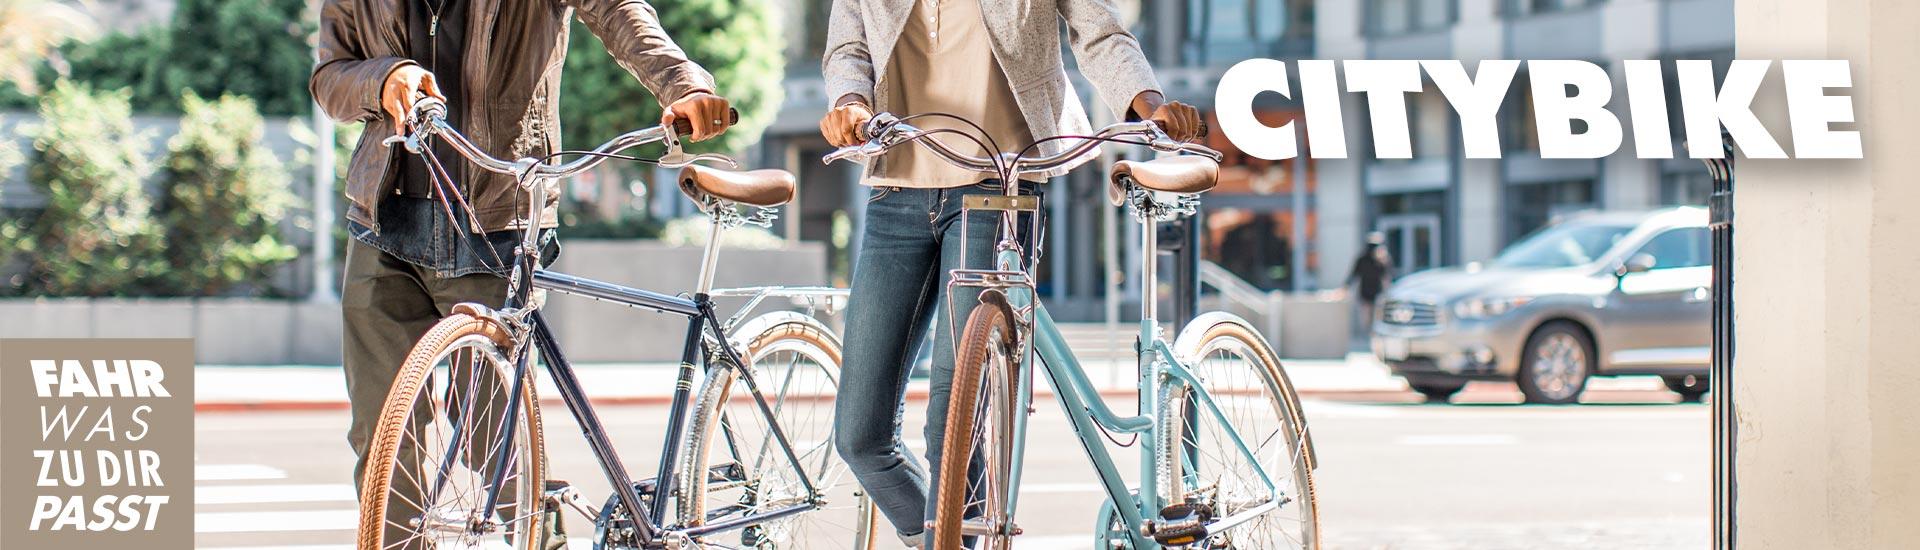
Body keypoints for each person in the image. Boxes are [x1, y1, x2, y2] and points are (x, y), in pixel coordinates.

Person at [312, 0, 732, 545]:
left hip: (500, 216)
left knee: (497, 438)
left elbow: (617, 11)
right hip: (384, 221)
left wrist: (683, 83)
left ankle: (545, 541)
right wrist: (383, 77)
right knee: (384, 441)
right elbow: (329, 77)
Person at [818, 0, 1203, 545]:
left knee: (953, 424)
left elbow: (1099, 32)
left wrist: (1148, 104)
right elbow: (848, 48)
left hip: (1002, 183)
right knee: (861, 437)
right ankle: (948, 533)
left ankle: (952, 538)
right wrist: (849, 103)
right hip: (897, 185)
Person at [1345, 232, 1395, 331]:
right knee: (1368, 314)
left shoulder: (1382, 259)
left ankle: (1372, 332)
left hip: (1376, 291)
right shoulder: (1362, 259)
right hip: (1367, 291)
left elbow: (1386, 276)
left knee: (1376, 315)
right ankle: (1369, 332)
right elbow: (1354, 275)